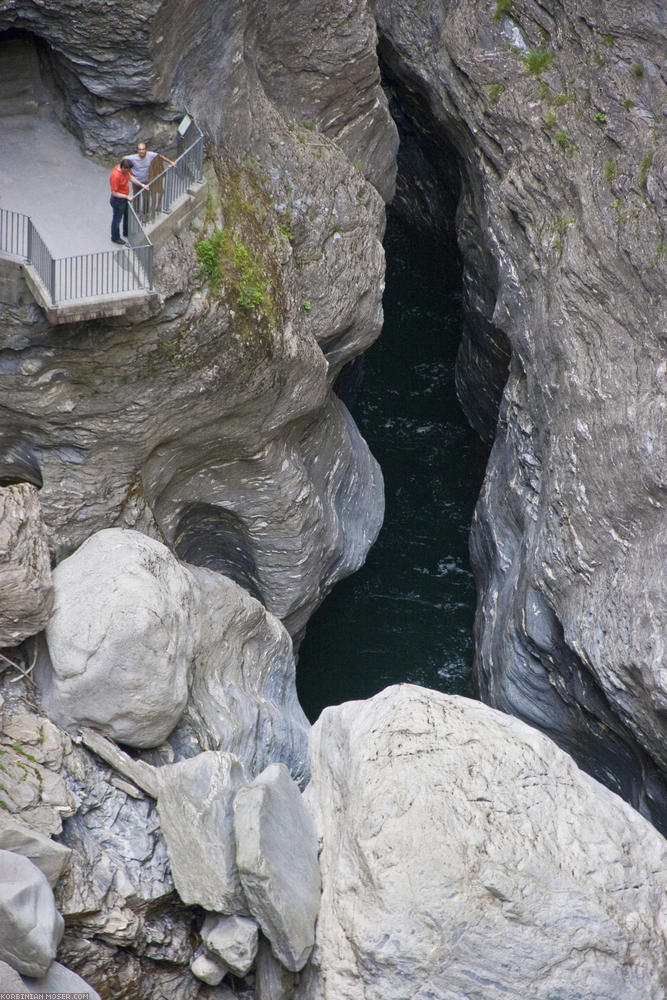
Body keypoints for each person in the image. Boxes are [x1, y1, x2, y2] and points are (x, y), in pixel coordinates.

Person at [126, 142, 176, 217]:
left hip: (146, 181)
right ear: (137, 150)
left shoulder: (150, 155)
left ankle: (145, 214)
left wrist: (171, 162)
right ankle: (136, 212)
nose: (141, 151)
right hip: (137, 181)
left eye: (143, 149)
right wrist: (129, 173)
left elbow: (160, 156)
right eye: (140, 149)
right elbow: (124, 159)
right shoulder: (133, 158)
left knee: (146, 197)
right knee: (136, 196)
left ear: (145, 150)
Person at [109, 158, 148, 246]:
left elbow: (130, 177)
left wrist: (142, 185)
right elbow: (114, 193)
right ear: (123, 168)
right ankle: (115, 237)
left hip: (124, 199)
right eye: (128, 170)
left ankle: (126, 232)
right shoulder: (115, 176)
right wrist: (127, 196)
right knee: (117, 219)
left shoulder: (125, 172)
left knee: (127, 215)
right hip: (118, 201)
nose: (129, 172)